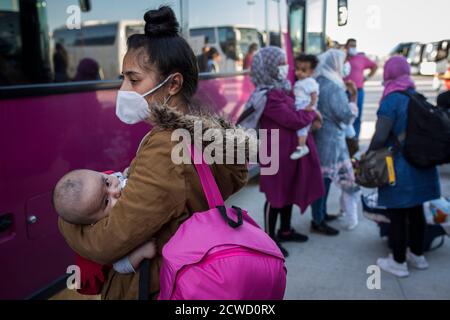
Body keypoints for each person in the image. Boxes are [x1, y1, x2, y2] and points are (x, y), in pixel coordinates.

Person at [57, 6, 248, 300]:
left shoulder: (166, 147)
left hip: (155, 285)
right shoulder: (199, 134)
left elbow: (111, 241)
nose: (123, 89)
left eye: (133, 80)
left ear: (172, 83)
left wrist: (67, 219)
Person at [369, 56, 441, 277]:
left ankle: (398, 262)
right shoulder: (417, 96)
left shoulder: (391, 100)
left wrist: (368, 155)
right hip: (423, 165)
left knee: (398, 215)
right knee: (417, 211)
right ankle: (417, 256)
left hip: (399, 167)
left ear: (389, 72)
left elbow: (380, 137)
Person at [251, 46, 325, 257]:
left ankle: (285, 230)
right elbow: (294, 119)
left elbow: (298, 111)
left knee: (288, 191)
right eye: (280, 63)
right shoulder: (268, 96)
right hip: (275, 152)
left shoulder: (283, 88)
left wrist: (308, 111)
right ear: (268, 67)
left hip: (288, 150)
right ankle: (269, 238)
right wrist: (312, 114)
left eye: (285, 62)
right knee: (275, 195)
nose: (285, 67)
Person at [53, 170, 157, 289]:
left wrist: (126, 173)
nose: (115, 191)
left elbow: (118, 176)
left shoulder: (112, 179)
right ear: (94, 223)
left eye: (107, 183)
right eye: (107, 201)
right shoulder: (108, 232)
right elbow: (119, 267)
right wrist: (140, 254)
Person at [312, 49, 360, 235]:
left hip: (323, 137)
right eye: (342, 62)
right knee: (323, 180)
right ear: (335, 64)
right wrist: (353, 97)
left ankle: (321, 214)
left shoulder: (320, 81)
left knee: (325, 177)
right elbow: (346, 115)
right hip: (330, 139)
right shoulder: (333, 86)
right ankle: (318, 220)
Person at [344, 38, 378, 140]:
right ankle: (345, 137)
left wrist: (366, 78)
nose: (353, 48)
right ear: (346, 47)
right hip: (344, 91)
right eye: (351, 46)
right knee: (344, 115)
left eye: (355, 46)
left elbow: (374, 66)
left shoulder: (361, 58)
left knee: (356, 115)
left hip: (358, 91)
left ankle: (355, 139)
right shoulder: (342, 58)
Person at [290, 54, 320, 160]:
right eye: (297, 69)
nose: (299, 72)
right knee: (302, 130)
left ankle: (302, 147)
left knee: (301, 130)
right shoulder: (301, 82)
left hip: (305, 106)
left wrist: (311, 106)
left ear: (311, 72)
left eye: (303, 70)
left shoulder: (310, 82)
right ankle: (301, 146)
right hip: (301, 106)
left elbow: (314, 95)